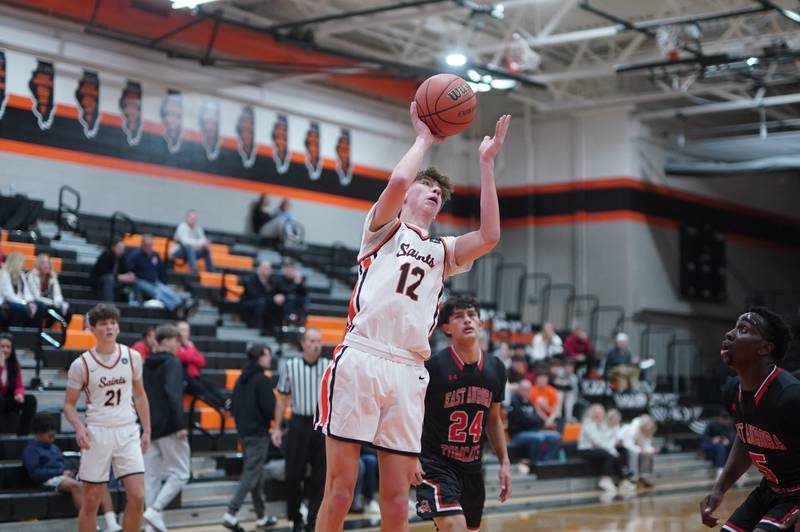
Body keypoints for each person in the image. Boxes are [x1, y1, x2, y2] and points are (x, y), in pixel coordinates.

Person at [314, 104, 509, 532]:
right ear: (409, 196)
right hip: (363, 355)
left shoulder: (443, 252)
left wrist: (486, 163)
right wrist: (424, 138)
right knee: (342, 489)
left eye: (440, 191)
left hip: (408, 369)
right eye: (427, 185)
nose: (434, 191)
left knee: (398, 499)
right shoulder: (382, 228)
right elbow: (400, 179)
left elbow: (491, 235)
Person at [699, 307, 800, 532]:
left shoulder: (789, 396)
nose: (730, 334)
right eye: (734, 327)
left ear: (764, 348)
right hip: (768, 490)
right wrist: (719, 488)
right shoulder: (732, 391)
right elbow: (746, 438)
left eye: (743, 330)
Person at [415, 296, 511, 531]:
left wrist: (504, 461)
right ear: (446, 328)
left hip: (472, 468)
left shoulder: (496, 368)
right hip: (435, 464)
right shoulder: (433, 367)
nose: (467, 320)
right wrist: (411, 455)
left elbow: (493, 419)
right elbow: (412, 412)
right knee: (455, 527)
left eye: (472, 315)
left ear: (481, 324)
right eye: (459, 317)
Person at [63, 303, 151, 532]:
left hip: (127, 430)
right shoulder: (81, 364)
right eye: (103, 324)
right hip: (97, 432)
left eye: (113, 323)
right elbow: (69, 406)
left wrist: (147, 430)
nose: (109, 327)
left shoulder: (132, 357)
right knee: (91, 500)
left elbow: (140, 396)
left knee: (138, 495)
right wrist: (79, 427)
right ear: (93, 329)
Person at [23, 413, 121, 531]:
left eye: (54, 436)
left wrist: (71, 472)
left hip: (62, 476)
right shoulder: (31, 450)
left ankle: (112, 523)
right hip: (47, 480)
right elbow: (35, 474)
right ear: (39, 433)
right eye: (50, 436)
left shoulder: (54, 447)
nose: (52, 439)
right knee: (75, 485)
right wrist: (60, 472)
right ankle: (92, 526)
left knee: (99, 481)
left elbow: (61, 464)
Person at [272, 329, 329, 532]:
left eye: (318, 341)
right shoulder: (291, 366)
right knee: (293, 474)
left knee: (321, 476)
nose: (316, 344)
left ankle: (313, 520)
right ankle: (295, 517)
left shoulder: (328, 366)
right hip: (298, 424)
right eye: (312, 341)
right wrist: (277, 427)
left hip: (320, 424)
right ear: (303, 343)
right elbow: (283, 400)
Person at [223, 343, 278, 532]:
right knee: (251, 473)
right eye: (267, 354)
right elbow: (270, 407)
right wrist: (281, 425)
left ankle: (261, 516)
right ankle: (231, 512)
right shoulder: (262, 379)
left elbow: (232, 405)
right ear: (259, 357)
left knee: (256, 473)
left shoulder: (242, 378)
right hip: (257, 433)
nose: (270, 358)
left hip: (243, 433)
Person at [142, 324, 190, 532]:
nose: (178, 344)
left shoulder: (146, 363)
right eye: (175, 340)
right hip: (169, 426)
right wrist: (180, 424)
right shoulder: (173, 362)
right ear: (166, 341)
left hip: (149, 426)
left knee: (150, 478)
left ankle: (151, 527)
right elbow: (173, 394)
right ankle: (155, 510)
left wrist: (144, 426)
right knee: (181, 473)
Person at [506, 379, 561, 474]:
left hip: (533, 431)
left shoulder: (531, 402)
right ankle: (535, 463)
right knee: (539, 437)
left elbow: (536, 419)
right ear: (519, 389)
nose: (526, 392)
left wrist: (533, 420)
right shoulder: (514, 402)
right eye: (524, 389)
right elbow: (523, 420)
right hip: (517, 435)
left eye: (528, 389)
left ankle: (545, 461)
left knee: (555, 436)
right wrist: (533, 420)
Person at [128, 235, 191, 316]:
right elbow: (129, 268)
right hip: (141, 281)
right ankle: (174, 308)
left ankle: (181, 305)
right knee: (158, 293)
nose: (148, 247)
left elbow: (161, 270)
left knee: (168, 291)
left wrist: (162, 282)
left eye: (150, 245)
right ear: (142, 245)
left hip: (155, 281)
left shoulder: (155, 255)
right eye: (146, 245)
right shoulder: (136, 255)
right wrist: (131, 275)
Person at [577, 403, 630, 494]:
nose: (599, 415)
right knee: (609, 454)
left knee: (622, 451)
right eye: (596, 412)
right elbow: (597, 441)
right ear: (592, 413)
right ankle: (605, 479)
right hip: (585, 450)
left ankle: (622, 480)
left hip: (598, 449)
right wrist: (612, 450)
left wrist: (614, 449)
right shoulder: (588, 424)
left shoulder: (601, 424)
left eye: (601, 412)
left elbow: (606, 440)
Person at [176, 321, 229, 411]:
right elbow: (186, 358)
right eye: (182, 330)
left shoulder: (189, 346)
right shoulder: (178, 345)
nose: (185, 333)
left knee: (211, 385)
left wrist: (191, 355)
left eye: (187, 330)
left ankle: (227, 402)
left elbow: (201, 361)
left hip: (195, 376)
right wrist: (191, 349)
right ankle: (220, 406)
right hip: (185, 380)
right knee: (202, 390)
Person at [0, 333, 37, 435]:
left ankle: (23, 435)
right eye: (2, 347)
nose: (5, 350)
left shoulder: (14, 364)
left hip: (7, 399)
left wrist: (19, 394)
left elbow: (19, 385)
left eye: (8, 347)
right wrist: (1, 367)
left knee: (30, 400)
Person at [0, 251, 42, 327]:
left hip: (18, 301)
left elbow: (27, 292)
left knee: (40, 305)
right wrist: (25, 303)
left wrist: (30, 302)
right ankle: (14, 332)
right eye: (22, 262)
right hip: (5, 303)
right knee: (21, 308)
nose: (23, 265)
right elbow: (8, 296)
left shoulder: (21, 274)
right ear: (16, 263)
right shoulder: (4, 274)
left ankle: (32, 332)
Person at [240, 261, 284, 333]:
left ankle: (275, 332)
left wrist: (278, 297)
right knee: (261, 303)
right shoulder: (251, 280)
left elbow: (275, 293)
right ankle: (256, 331)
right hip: (249, 304)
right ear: (259, 269)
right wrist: (272, 298)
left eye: (269, 269)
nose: (267, 271)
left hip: (264, 303)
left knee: (278, 304)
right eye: (265, 268)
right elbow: (255, 295)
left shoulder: (272, 281)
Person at [90, 238, 136, 303]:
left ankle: (134, 304)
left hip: (115, 281)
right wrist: (118, 277)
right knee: (109, 279)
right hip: (99, 280)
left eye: (123, 248)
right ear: (114, 247)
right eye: (120, 247)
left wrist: (130, 275)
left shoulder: (122, 257)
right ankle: (109, 305)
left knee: (133, 280)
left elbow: (126, 270)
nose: (122, 250)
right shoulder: (106, 255)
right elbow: (104, 272)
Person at [618, 414, 658, 487]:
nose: (649, 427)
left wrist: (651, 450)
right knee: (634, 453)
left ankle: (644, 476)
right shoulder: (632, 429)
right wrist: (640, 451)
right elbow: (628, 444)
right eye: (648, 425)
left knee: (648, 454)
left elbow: (646, 444)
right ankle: (634, 477)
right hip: (622, 446)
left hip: (636, 447)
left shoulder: (648, 431)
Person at [27, 253, 70, 319]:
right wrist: (52, 303)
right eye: (43, 263)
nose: (46, 265)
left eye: (48, 263)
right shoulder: (32, 275)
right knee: (42, 306)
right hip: (35, 302)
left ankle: (59, 328)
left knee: (67, 310)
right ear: (38, 265)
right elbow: (36, 297)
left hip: (49, 303)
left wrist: (59, 302)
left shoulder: (53, 276)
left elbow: (58, 294)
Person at [701, 410, 735, 477]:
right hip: (709, 444)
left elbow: (733, 437)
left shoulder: (729, 426)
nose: (725, 422)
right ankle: (720, 468)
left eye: (727, 420)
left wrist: (728, 441)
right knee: (720, 447)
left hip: (722, 445)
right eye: (724, 419)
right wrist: (713, 439)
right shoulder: (711, 424)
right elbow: (704, 436)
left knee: (730, 447)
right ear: (719, 418)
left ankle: (733, 467)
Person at [275, 260, 307, 325]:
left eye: (292, 269)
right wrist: (295, 284)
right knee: (290, 298)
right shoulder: (279, 279)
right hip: (283, 304)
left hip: (296, 305)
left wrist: (300, 284)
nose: (290, 271)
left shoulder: (298, 281)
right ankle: (289, 319)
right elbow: (286, 291)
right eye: (289, 268)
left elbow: (304, 294)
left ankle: (296, 322)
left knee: (300, 303)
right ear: (284, 269)